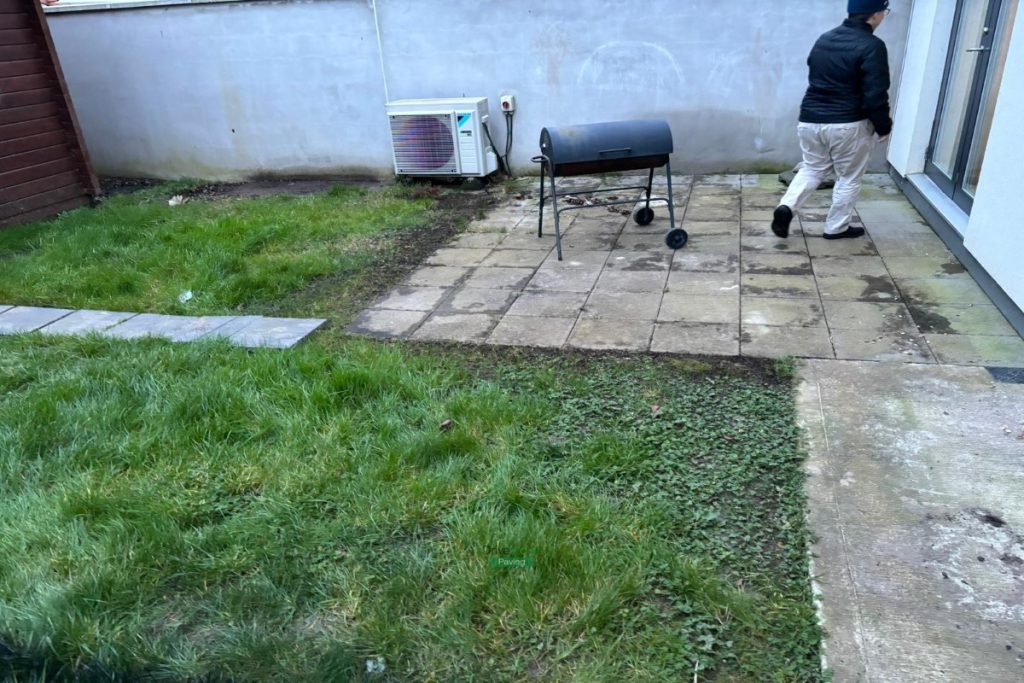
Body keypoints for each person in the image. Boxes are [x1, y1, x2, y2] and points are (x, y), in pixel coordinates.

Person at [772, 0, 893, 240]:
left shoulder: (825, 39)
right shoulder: (873, 46)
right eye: (884, 12)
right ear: (875, 15)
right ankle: (836, 228)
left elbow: (814, 72)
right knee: (849, 178)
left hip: (810, 119)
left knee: (812, 168)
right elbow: (875, 94)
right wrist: (883, 126)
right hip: (848, 123)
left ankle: (786, 207)